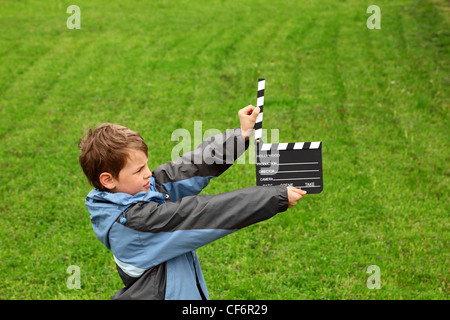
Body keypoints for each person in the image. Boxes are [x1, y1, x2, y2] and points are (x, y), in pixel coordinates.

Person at [78, 105, 307, 300]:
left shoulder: (138, 192)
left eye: (147, 165)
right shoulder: (137, 223)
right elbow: (205, 214)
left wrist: (241, 135)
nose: (149, 173)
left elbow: (190, 167)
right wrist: (273, 197)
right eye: (139, 170)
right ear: (108, 180)